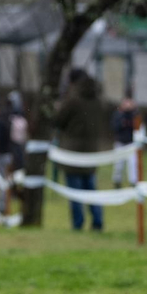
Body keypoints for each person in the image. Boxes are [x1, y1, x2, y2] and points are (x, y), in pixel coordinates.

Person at [51, 68, 107, 232]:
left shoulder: (73, 100)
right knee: (91, 189)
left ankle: (78, 223)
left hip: (72, 153)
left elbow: (58, 120)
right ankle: (97, 221)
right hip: (91, 152)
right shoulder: (97, 99)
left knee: (75, 191)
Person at [110, 94, 140, 188]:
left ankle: (133, 183)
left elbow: (138, 128)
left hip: (131, 144)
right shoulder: (118, 114)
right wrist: (122, 123)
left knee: (133, 165)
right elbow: (114, 127)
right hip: (120, 143)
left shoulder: (135, 115)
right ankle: (117, 182)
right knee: (118, 165)